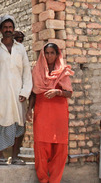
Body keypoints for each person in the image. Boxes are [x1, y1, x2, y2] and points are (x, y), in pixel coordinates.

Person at [26, 43, 74, 182]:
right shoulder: (37, 71)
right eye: (46, 53)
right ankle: (43, 180)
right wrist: (29, 110)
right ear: (43, 54)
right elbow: (34, 93)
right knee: (41, 148)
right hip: (42, 114)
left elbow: (69, 93)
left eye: (52, 53)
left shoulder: (63, 71)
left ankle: (54, 180)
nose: (49, 56)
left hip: (59, 115)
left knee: (59, 151)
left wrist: (58, 92)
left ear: (57, 54)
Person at [0, 15, 32, 165]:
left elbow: (27, 72)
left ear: (13, 29)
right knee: (0, 122)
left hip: (18, 94)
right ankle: (0, 156)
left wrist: (25, 92)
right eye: (5, 27)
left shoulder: (20, 48)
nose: (8, 30)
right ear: (1, 29)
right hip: (1, 93)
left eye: (10, 27)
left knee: (18, 125)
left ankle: (14, 157)